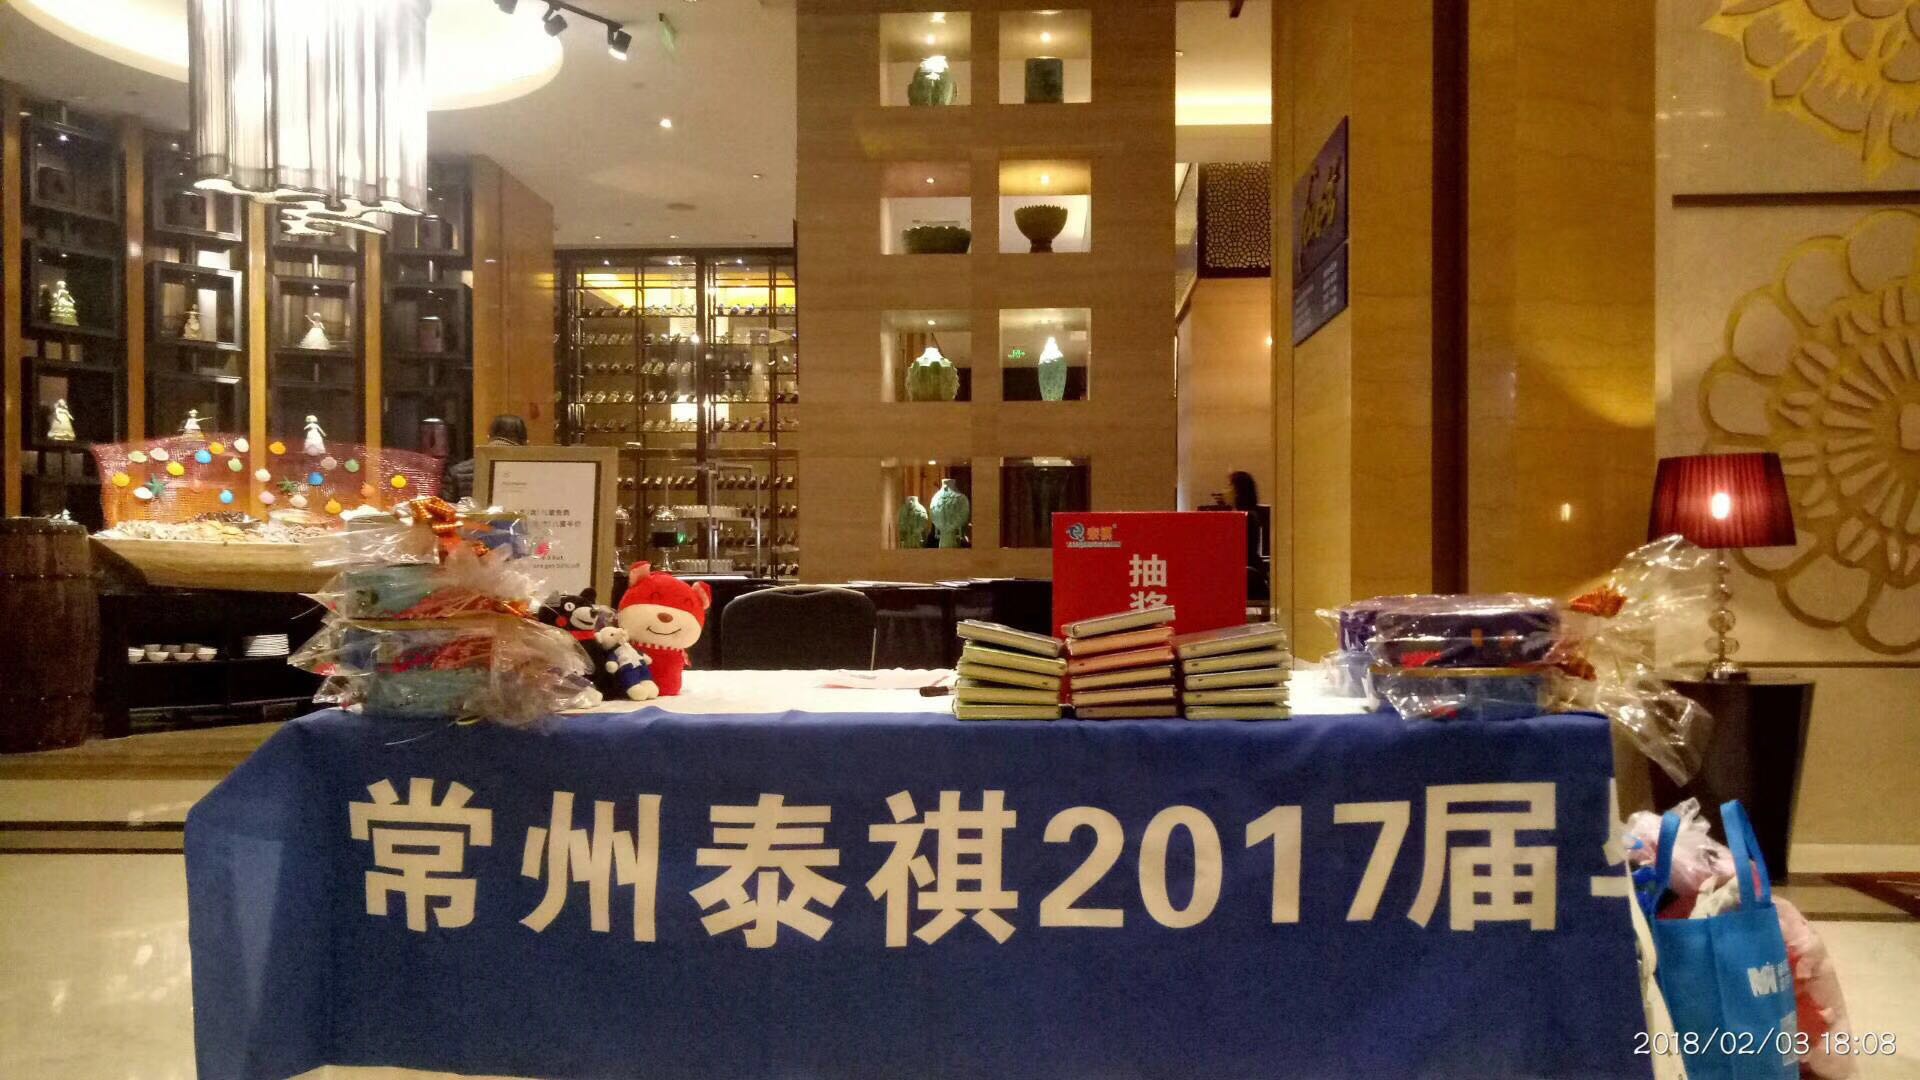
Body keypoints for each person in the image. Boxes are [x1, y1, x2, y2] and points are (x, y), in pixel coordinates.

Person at [444, 414, 527, 502]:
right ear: (525, 442)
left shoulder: (457, 471)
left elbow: (446, 507)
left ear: (489, 437)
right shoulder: (531, 470)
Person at [1228, 471, 1271, 605]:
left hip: (1247, 572)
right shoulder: (1246, 515)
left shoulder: (1246, 517)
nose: (1226, 491)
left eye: (1229, 486)